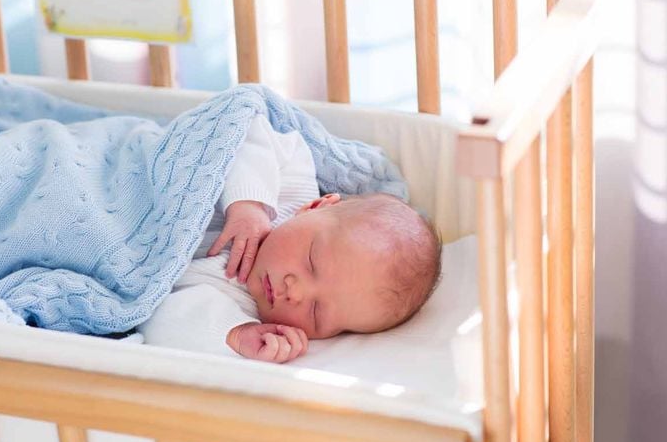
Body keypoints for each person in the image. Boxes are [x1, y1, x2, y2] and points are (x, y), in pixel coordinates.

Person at [138, 114, 442, 363]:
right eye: (311, 262)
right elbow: (246, 129)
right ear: (316, 206)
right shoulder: (289, 189)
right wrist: (249, 203)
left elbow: (157, 318)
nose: (294, 293)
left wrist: (235, 335)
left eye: (316, 313)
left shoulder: (239, 310)